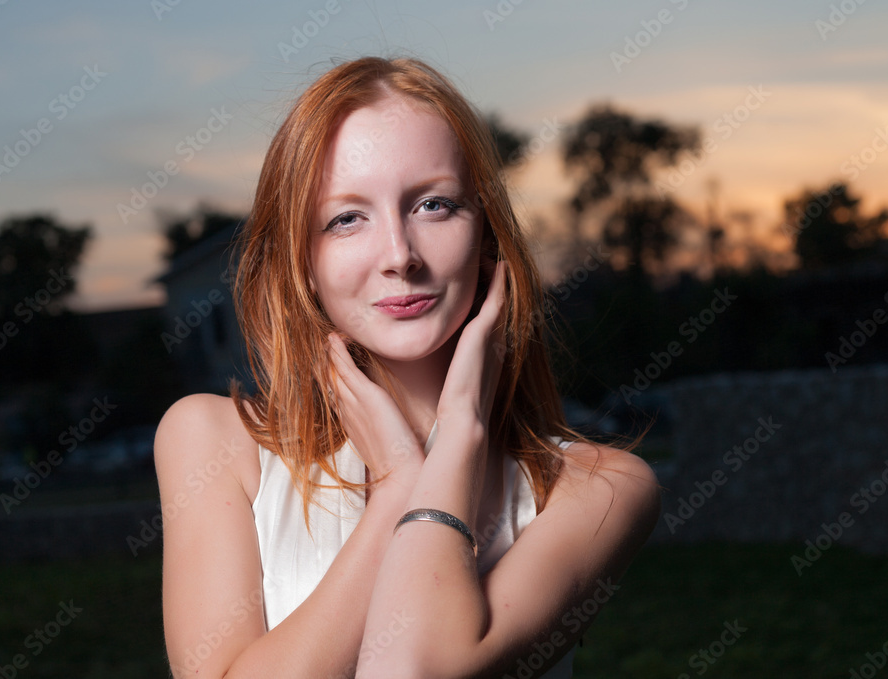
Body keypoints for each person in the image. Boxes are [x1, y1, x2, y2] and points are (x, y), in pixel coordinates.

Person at [155, 56, 660, 679]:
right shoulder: (215, 442)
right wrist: (395, 486)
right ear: (300, 262)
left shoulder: (600, 489)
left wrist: (457, 437)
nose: (399, 255)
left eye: (434, 205)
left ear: (487, 235)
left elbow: (419, 667)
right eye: (346, 218)